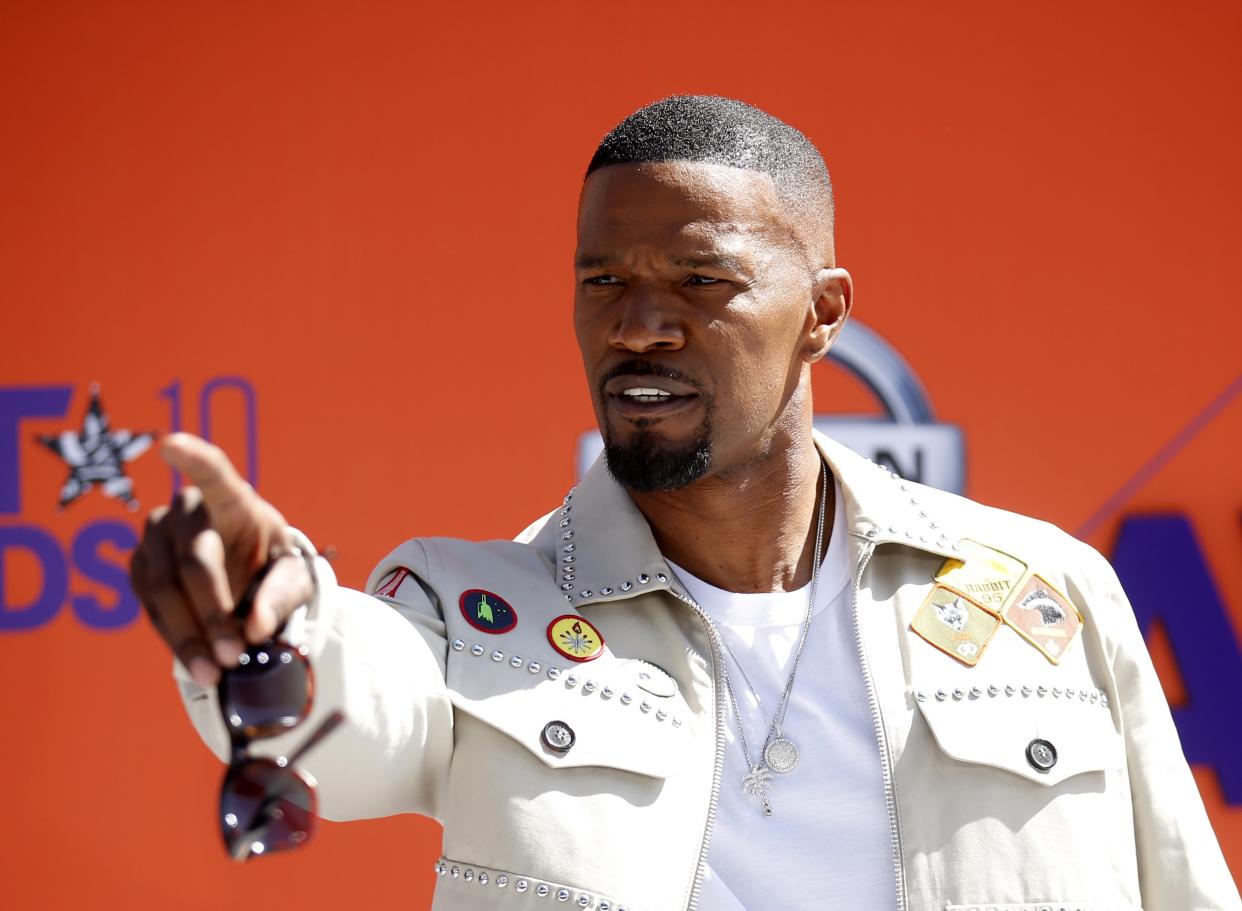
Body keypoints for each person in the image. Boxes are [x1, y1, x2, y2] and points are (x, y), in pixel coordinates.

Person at [130, 95, 1240, 911]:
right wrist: (276, 621)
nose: (638, 324)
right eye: (602, 280)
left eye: (699, 281)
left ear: (822, 311)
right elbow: (357, 712)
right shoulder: (473, 608)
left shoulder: (1047, 591)